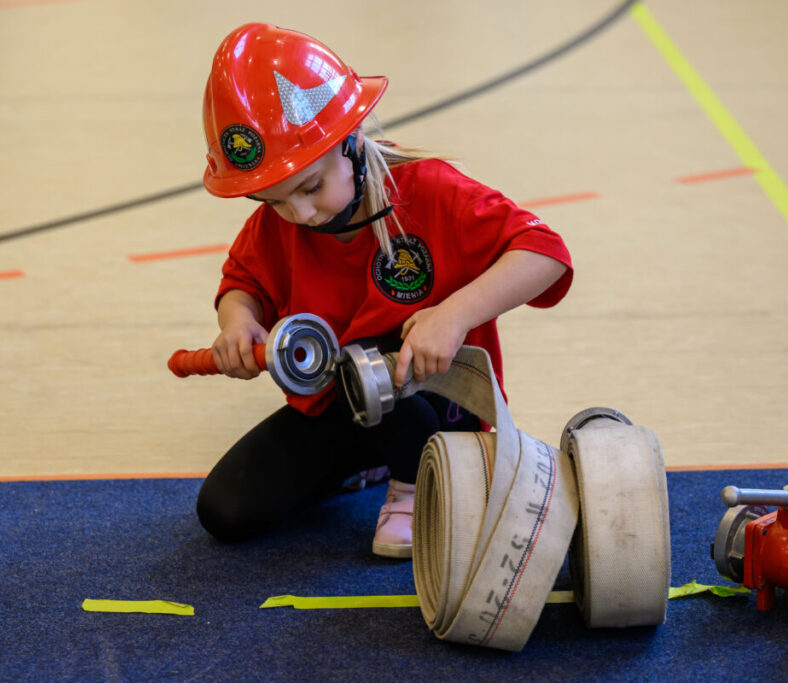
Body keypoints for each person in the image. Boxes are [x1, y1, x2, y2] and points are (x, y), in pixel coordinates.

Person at [194, 23, 574, 558]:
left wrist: (454, 314)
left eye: (310, 187)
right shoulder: (279, 224)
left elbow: (545, 253)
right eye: (274, 201)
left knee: (367, 365)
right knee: (226, 510)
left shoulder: (431, 190)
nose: (299, 214)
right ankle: (377, 462)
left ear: (349, 142)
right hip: (345, 404)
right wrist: (238, 323)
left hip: (438, 406)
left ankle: (420, 480)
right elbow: (243, 282)